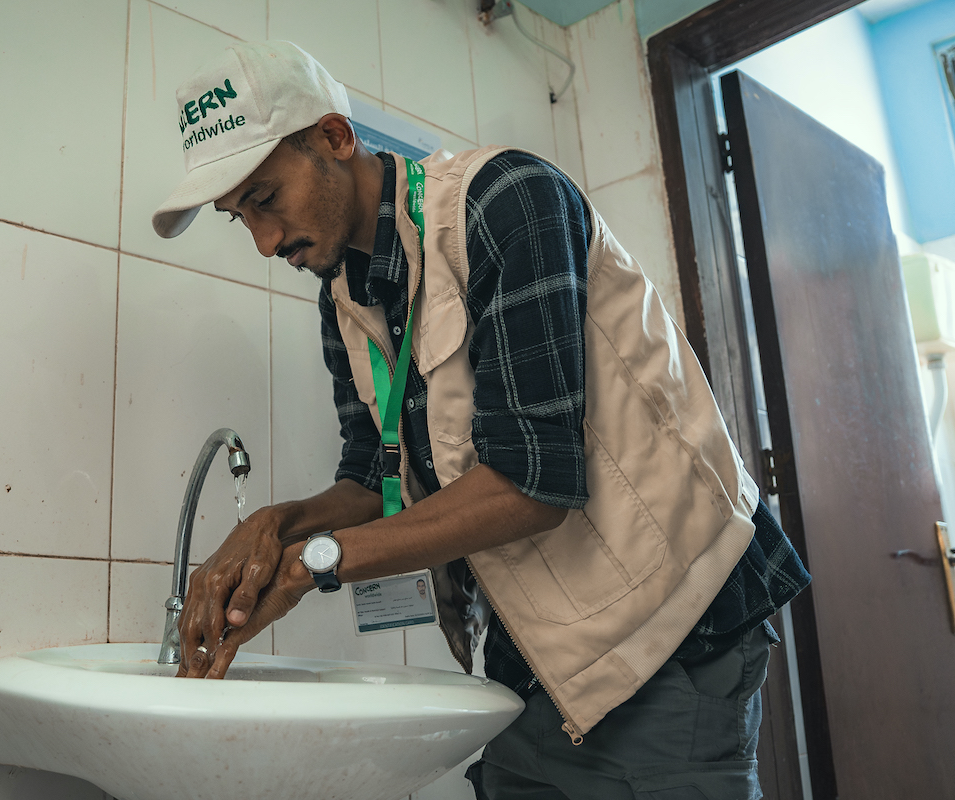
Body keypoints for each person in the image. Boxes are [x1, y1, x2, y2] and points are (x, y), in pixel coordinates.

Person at [152, 40, 810, 800]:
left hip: (673, 637)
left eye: (265, 198)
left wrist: (311, 564)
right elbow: (375, 475)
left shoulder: (507, 199)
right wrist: (274, 525)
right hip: (533, 661)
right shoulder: (343, 296)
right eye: (241, 219)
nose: (265, 243)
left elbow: (533, 483)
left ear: (335, 137)